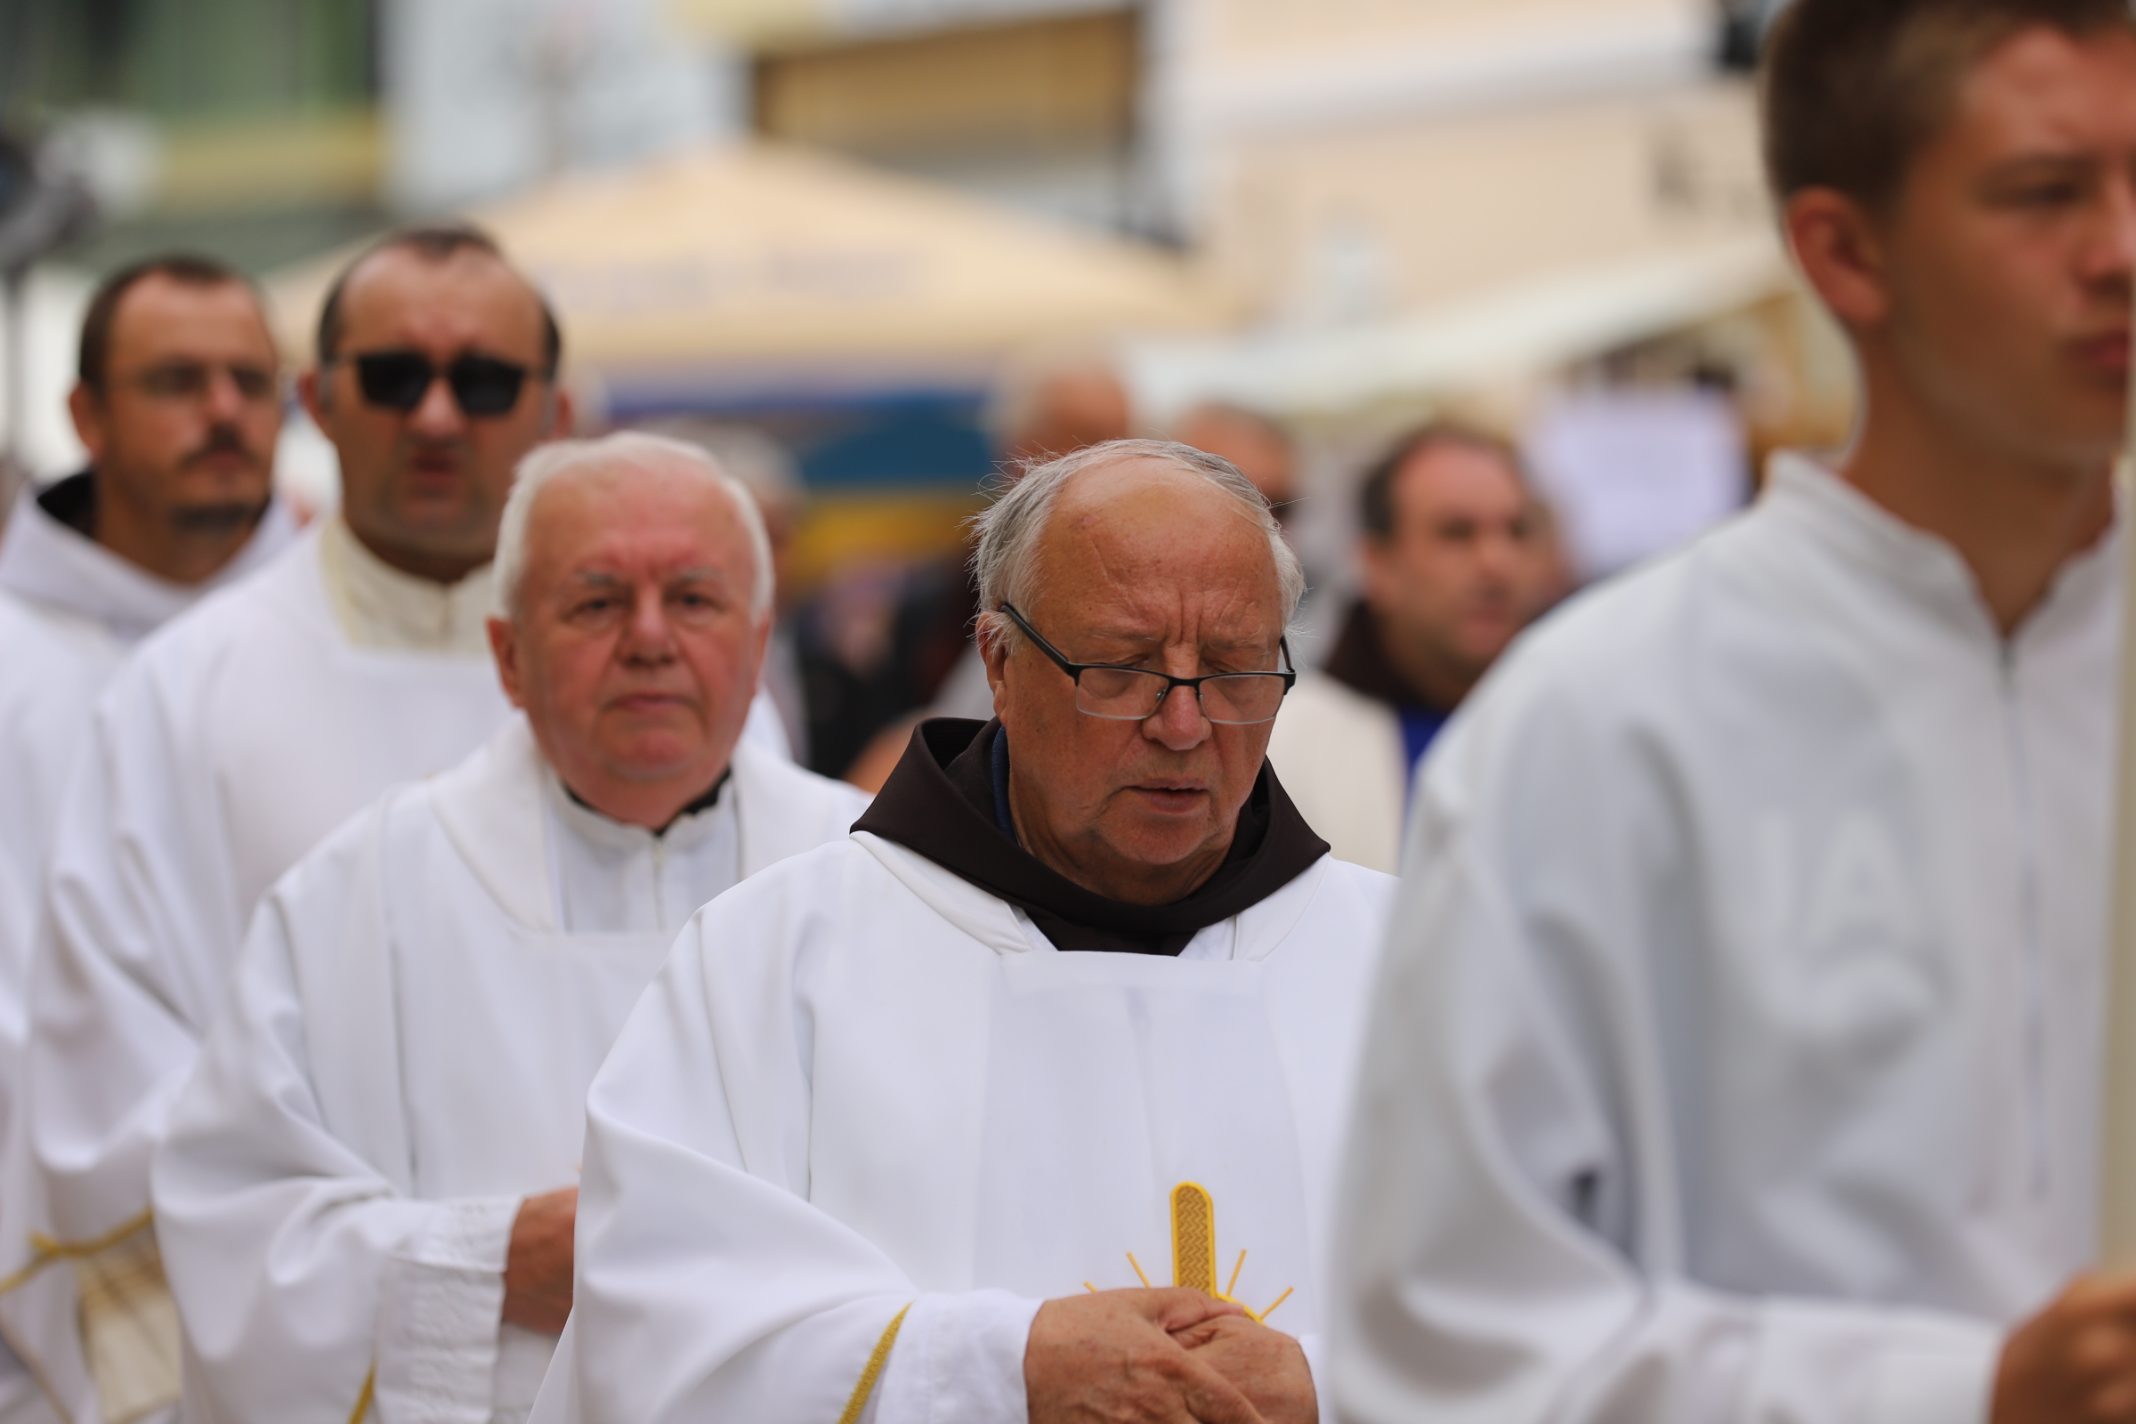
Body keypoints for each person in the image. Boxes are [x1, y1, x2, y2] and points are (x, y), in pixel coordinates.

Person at [1333, 5, 2136, 1423]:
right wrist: (1958, 1397)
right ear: (1846, 252)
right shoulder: (1594, 726)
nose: (2122, 249)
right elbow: (1445, 1340)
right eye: (2044, 192)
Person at [527, 439, 1393, 1423]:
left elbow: (1519, 1308)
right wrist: (997, 1369)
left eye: (1234, 670)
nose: (1184, 724)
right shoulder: (774, 958)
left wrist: (1330, 1388)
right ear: (999, 663)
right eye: (1123, 667)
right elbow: (661, 1322)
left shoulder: (1406, 963)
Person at [150, 433, 865, 1424]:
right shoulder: (363, 896)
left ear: (757, 648)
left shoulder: (870, 881)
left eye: (694, 599)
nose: (649, 638)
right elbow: (240, 1235)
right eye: (596, 602)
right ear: (508, 656)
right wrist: (488, 1262)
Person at [16, 223, 573, 1424]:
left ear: (556, 411)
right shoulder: (180, 690)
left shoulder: (667, 690)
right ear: (319, 402)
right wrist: (447, 1264)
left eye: (483, 381)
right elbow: (112, 1080)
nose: (436, 416)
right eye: (393, 376)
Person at [0, 253, 298, 1424]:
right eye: (178, 380)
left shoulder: (354, 642)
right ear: (85, 415)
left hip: (329, 1267)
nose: (224, 411)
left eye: (250, 381)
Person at [1264, 424, 1536, 871]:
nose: (1497, 563)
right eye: (1457, 533)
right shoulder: (1283, 748)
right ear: (1378, 563)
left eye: (1517, 531)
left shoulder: (1579, 731)